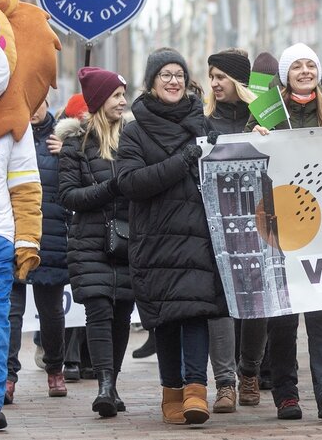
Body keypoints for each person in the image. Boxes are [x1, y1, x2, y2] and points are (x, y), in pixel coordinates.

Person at [116, 48, 229, 426]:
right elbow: (130, 182)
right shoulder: (134, 130)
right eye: (165, 74)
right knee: (165, 317)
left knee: (196, 311)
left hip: (197, 234)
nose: (173, 81)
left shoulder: (203, 124)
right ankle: (171, 391)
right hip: (155, 238)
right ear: (151, 82)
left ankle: (197, 390)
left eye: (179, 74)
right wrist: (182, 160)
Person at [246, 42, 322, 421]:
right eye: (297, 67)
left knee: (321, 313)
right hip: (278, 232)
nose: (305, 71)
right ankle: (286, 394)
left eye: (310, 65)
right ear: (286, 76)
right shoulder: (266, 114)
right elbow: (248, 166)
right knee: (284, 318)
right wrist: (255, 137)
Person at [57, 67, 135, 418]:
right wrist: (109, 188)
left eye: (123, 94)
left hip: (129, 242)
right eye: (117, 95)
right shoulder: (76, 145)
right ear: (101, 100)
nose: (123, 101)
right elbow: (68, 195)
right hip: (89, 242)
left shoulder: (134, 140)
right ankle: (104, 385)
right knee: (99, 310)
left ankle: (113, 383)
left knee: (121, 313)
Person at [201, 49, 261, 414]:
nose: (214, 83)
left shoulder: (263, 118)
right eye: (211, 76)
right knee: (219, 302)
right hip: (217, 224)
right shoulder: (204, 121)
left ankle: (250, 370)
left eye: (221, 76)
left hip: (257, 225)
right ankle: (225, 383)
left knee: (257, 302)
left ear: (238, 81)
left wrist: (264, 139)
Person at [5, 98, 70, 403]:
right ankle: (7, 376)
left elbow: (78, 181)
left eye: (38, 102)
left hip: (50, 238)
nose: (31, 109)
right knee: (10, 313)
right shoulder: (6, 137)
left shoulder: (63, 137)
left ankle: (55, 368)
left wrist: (69, 155)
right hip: (12, 237)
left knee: (52, 313)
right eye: (26, 101)